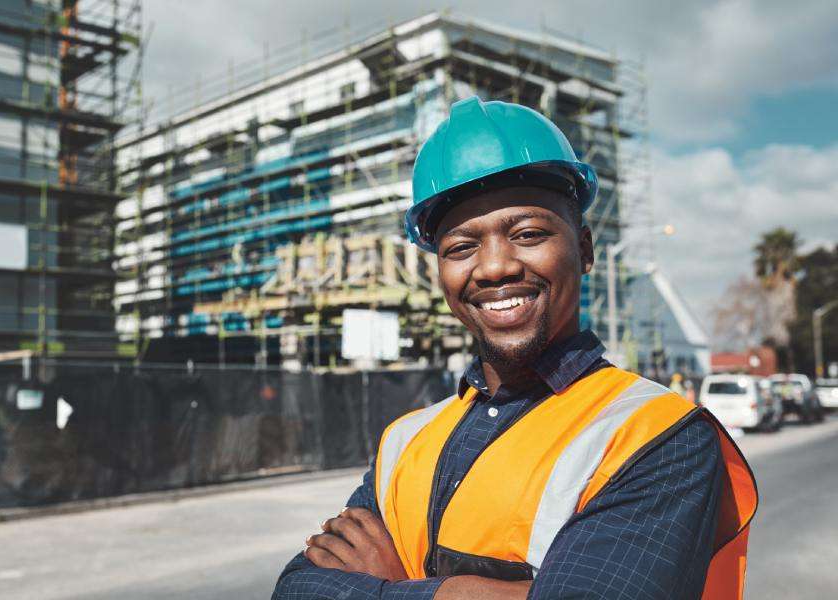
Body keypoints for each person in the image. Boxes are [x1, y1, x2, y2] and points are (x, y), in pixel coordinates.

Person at [272, 97, 756, 600]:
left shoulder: (657, 436)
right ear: (441, 272)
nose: (495, 266)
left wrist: (402, 586)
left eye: (527, 234)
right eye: (462, 246)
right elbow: (296, 589)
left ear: (584, 250)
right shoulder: (406, 441)